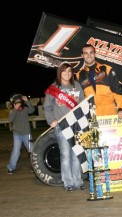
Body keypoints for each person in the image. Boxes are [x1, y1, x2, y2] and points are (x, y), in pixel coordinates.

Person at [43, 62, 86, 192]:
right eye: (64, 71)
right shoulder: (53, 88)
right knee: (66, 155)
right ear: (59, 73)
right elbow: (47, 107)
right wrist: (52, 120)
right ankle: (68, 183)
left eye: (69, 71)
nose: (67, 74)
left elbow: (82, 104)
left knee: (76, 154)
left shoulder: (77, 86)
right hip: (61, 127)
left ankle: (78, 181)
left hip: (76, 126)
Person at [75, 44, 122, 119]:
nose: (89, 55)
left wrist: (121, 109)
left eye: (91, 52)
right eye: (86, 53)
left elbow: (117, 91)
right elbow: (80, 98)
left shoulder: (107, 69)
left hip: (110, 112)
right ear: (82, 55)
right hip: (92, 115)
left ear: (95, 54)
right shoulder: (79, 75)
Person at [7, 94, 35, 174]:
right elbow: (11, 120)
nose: (18, 102)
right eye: (16, 101)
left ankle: (35, 167)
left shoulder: (25, 108)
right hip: (17, 134)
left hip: (27, 133)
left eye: (19, 101)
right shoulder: (12, 110)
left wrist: (27, 101)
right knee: (16, 151)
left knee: (32, 150)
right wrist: (15, 109)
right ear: (14, 103)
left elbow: (32, 110)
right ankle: (10, 168)